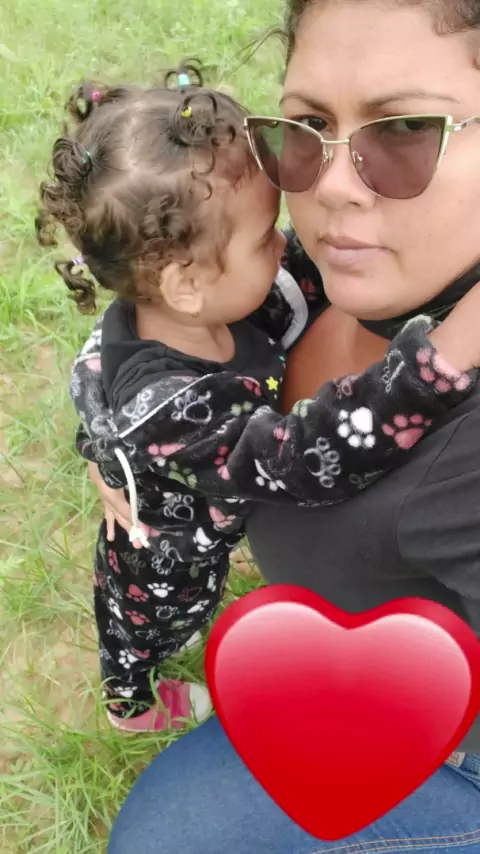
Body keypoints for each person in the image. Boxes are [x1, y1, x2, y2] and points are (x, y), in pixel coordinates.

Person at [99, 0, 480, 846]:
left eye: (406, 129)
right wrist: (115, 424)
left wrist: (445, 356)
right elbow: (155, 306)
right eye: (307, 128)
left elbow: (315, 455)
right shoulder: (308, 283)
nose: (331, 186)